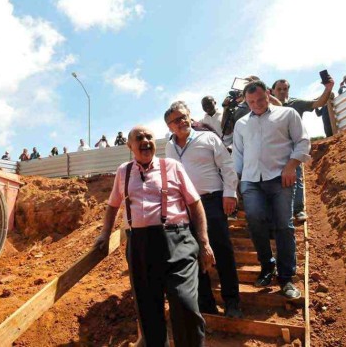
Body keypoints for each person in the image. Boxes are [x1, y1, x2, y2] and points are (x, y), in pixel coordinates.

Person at [95, 125, 215, 347]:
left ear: (155, 142)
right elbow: (113, 205)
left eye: (149, 137)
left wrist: (204, 242)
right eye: (138, 138)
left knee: (185, 305)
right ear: (129, 145)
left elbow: (195, 204)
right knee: (148, 310)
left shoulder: (172, 166)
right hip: (140, 245)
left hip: (177, 241)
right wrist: (104, 234)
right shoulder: (124, 171)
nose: (145, 141)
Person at [233, 80, 310, 299]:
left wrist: (291, 167)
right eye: (250, 102)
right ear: (245, 101)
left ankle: (286, 278)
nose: (256, 105)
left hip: (280, 178)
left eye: (259, 99)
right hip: (250, 180)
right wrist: (235, 182)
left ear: (268, 94)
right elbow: (237, 155)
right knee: (255, 221)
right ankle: (267, 266)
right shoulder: (241, 124)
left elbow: (303, 142)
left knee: (284, 226)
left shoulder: (287, 114)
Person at [165, 101, 242, 318]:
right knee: (194, 253)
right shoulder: (169, 147)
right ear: (169, 126)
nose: (181, 122)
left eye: (184, 117)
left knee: (222, 251)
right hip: (184, 207)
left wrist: (230, 193)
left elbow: (227, 166)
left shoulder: (208, 138)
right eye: (176, 120)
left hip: (212, 201)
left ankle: (232, 303)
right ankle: (206, 304)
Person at [272, 76, 334, 220]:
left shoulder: (296, 103)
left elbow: (318, 103)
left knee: (296, 176)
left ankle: (298, 210)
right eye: (279, 89)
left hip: (294, 147)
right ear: (273, 91)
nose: (282, 91)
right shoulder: (267, 107)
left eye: (285, 89)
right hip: (274, 149)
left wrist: (328, 88)